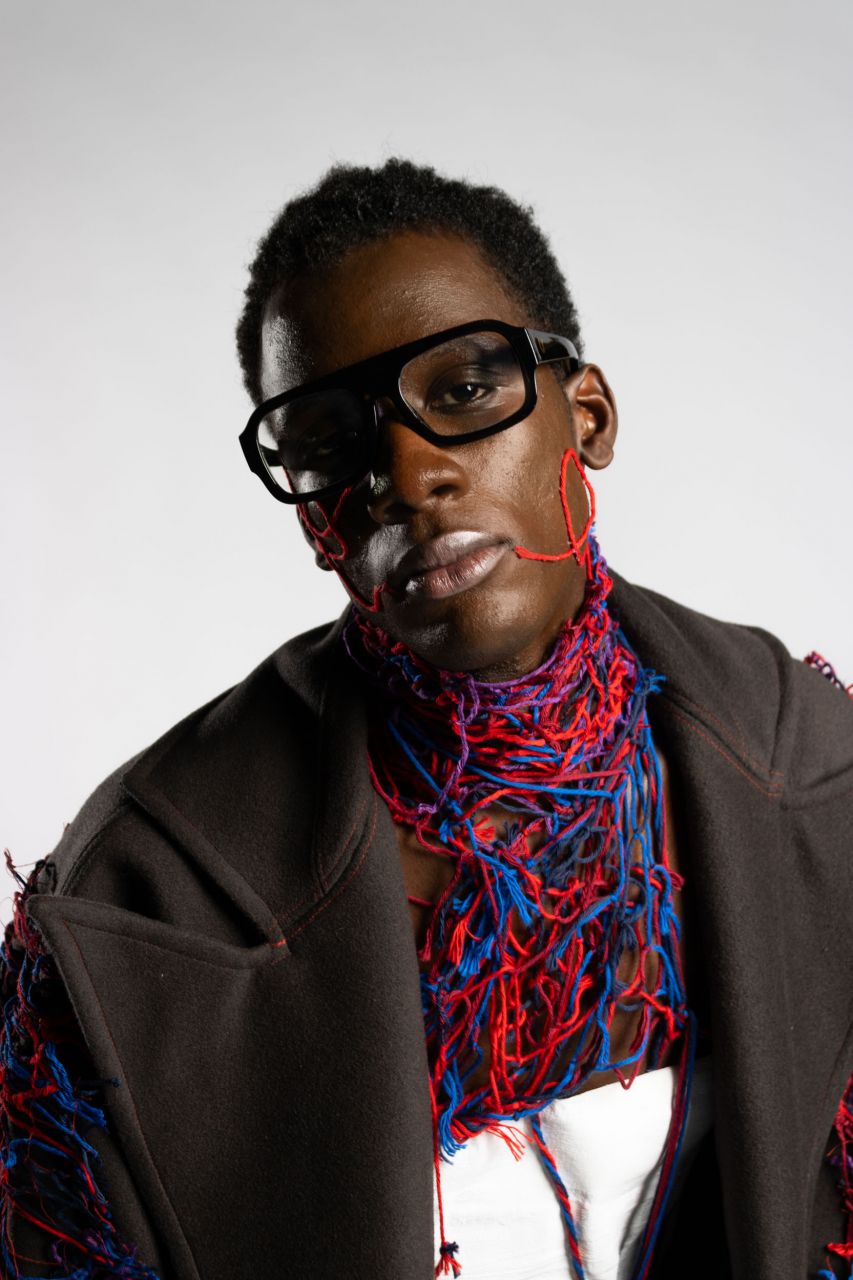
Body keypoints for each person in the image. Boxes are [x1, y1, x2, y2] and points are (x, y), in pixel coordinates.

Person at [2, 158, 851, 1280]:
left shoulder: (809, 759)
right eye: (328, 440)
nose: (408, 476)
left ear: (586, 417)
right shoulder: (142, 888)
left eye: (462, 390)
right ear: (311, 514)